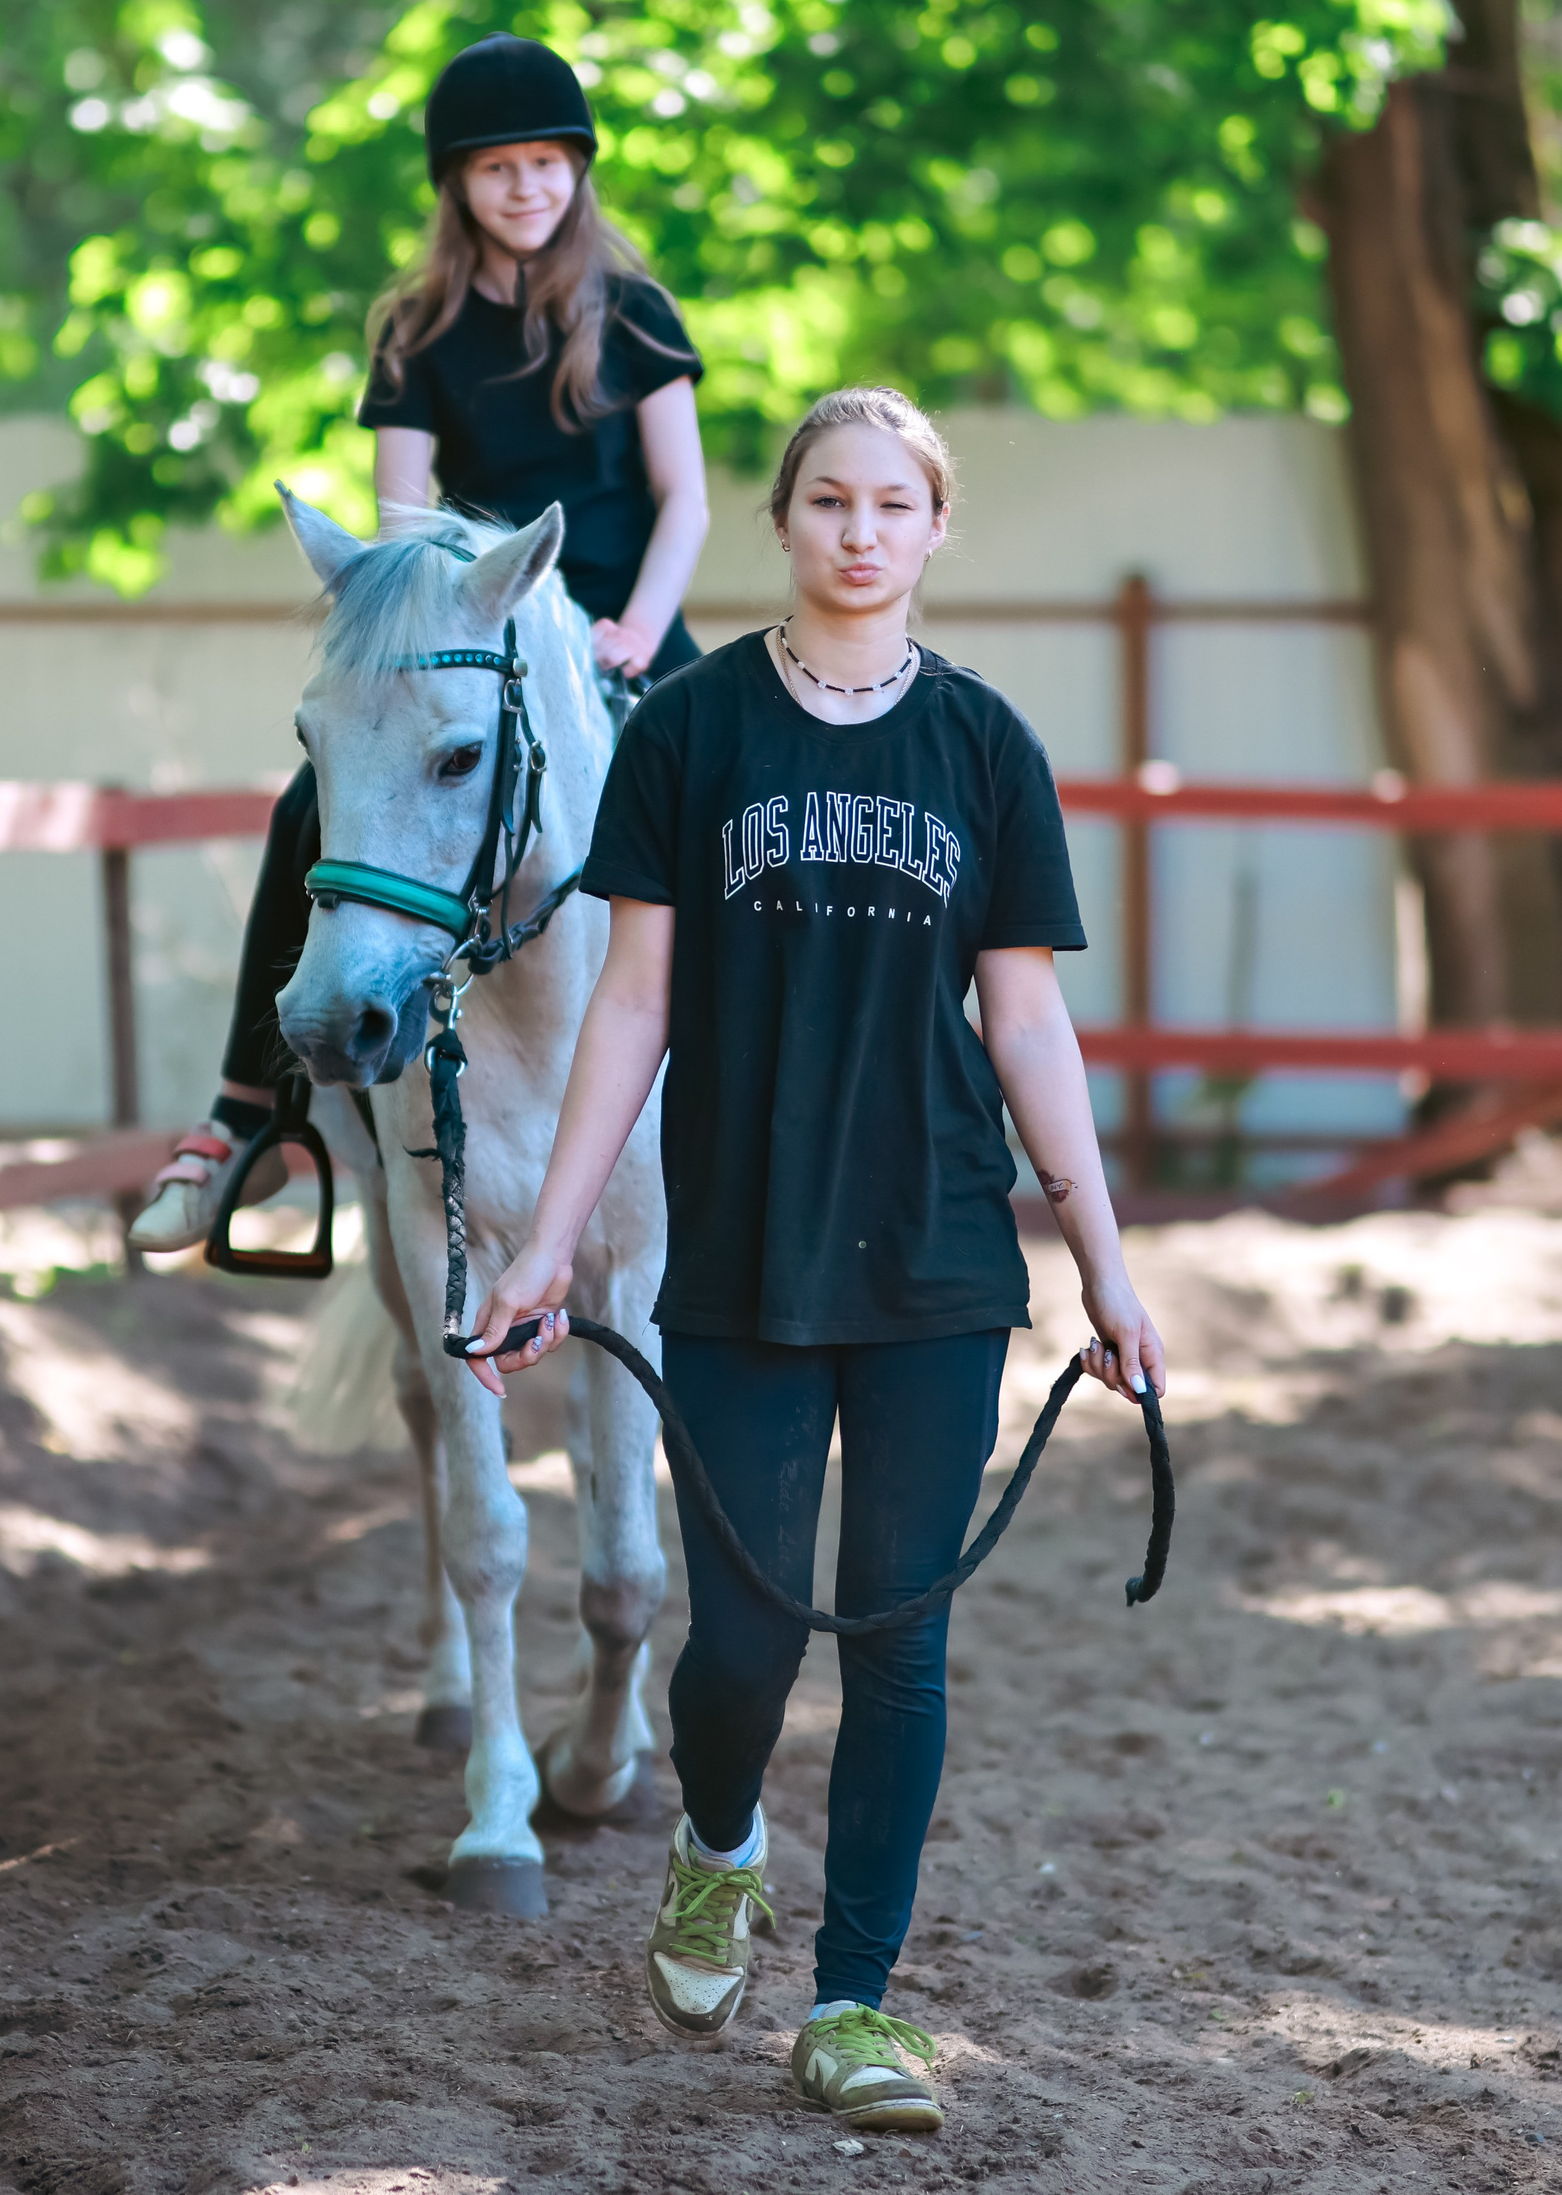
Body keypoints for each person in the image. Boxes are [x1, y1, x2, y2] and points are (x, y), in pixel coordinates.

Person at [464, 386, 1168, 2133]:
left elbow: (1026, 1018)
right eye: (830, 500)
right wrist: (546, 1246)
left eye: (893, 504)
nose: (861, 530)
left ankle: (855, 2001)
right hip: (742, 1253)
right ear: (783, 520)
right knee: (744, 1642)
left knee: (903, 1639)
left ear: (934, 530)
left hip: (939, 1252)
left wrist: (1104, 1260)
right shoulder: (691, 728)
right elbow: (632, 1003)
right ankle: (720, 1845)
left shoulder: (985, 745)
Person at [130, 31, 709, 1251]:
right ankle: (244, 1117)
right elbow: (403, 520)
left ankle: (775, 1096)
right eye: (497, 167)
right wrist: (431, 617)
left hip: (619, 626)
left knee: (743, 792)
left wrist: (641, 628)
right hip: (468, 625)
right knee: (309, 807)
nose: (525, 186)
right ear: (457, 182)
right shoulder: (417, 329)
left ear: (577, 170)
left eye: (546, 162)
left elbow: (685, 498)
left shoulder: (636, 313)